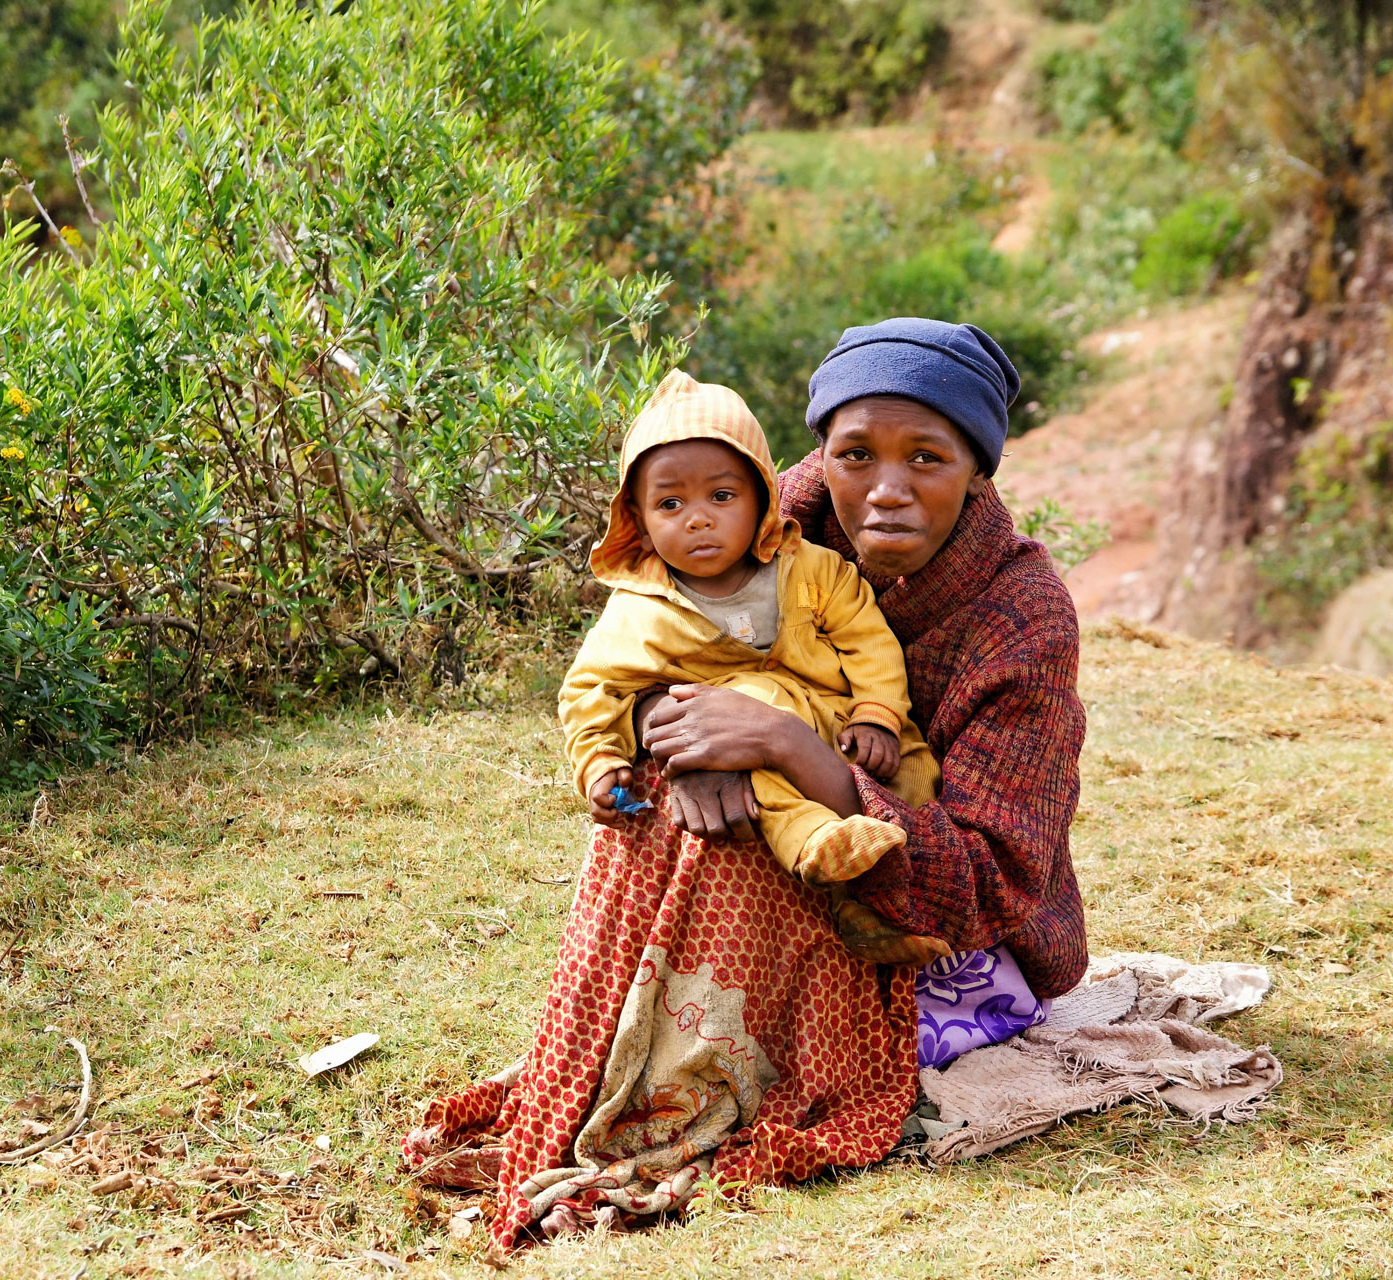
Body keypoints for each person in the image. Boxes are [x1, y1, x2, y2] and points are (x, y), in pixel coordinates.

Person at [405, 318, 1087, 1248]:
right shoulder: (784, 515)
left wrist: (785, 747)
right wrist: (674, 733)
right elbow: (641, 641)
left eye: (927, 457)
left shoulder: (1023, 618)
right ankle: (631, 1068)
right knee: (646, 791)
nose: (884, 489)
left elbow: (990, 886)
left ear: (979, 468)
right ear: (818, 456)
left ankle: (699, 1086)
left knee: (736, 837)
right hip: (795, 853)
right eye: (856, 454)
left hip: (958, 945)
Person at [557, 369, 937, 886]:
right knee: (757, 736)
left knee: (916, 770)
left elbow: (869, 640)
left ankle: (907, 893)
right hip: (745, 742)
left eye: (722, 496)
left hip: (843, 729)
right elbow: (591, 690)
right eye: (670, 504)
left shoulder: (812, 568)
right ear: (640, 526)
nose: (697, 519)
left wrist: (877, 715)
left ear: (762, 499)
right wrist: (599, 762)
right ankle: (815, 842)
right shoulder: (639, 610)